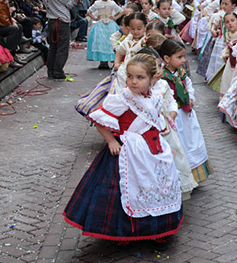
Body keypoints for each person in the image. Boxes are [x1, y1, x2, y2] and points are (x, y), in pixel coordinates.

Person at [64, 54, 183, 241]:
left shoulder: (155, 98)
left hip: (152, 152)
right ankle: (123, 231)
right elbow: (99, 120)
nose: (133, 81)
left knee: (157, 186)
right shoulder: (121, 99)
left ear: (153, 78)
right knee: (124, 190)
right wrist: (111, 141)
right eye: (130, 76)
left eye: (140, 77)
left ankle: (157, 229)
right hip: (128, 151)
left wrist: (163, 145)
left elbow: (156, 124)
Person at [41, 0, 76, 80]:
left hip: (51, 20)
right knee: (62, 48)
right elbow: (70, 4)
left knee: (53, 47)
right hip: (62, 21)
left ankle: (50, 71)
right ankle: (58, 71)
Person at [85, 0, 123, 69]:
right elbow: (89, 11)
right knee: (101, 42)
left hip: (110, 24)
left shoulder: (112, 3)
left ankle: (110, 60)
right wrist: (95, 18)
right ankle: (102, 61)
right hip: (100, 24)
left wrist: (115, 18)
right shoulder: (97, 3)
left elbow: (121, 11)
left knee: (110, 42)